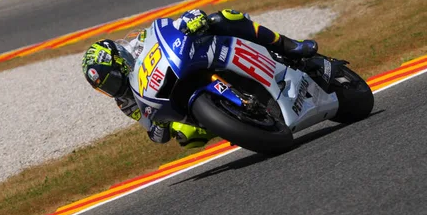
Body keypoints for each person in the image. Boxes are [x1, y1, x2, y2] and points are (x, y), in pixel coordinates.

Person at [81, 9, 318, 148]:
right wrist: (159, 125)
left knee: (222, 18)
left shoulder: (138, 42)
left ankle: (288, 45)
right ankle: (237, 122)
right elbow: (155, 134)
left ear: (118, 61)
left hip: (189, 59)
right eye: (107, 88)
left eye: (112, 80)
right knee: (186, 137)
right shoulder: (125, 102)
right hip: (178, 103)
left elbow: (166, 31)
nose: (114, 88)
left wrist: (188, 20)